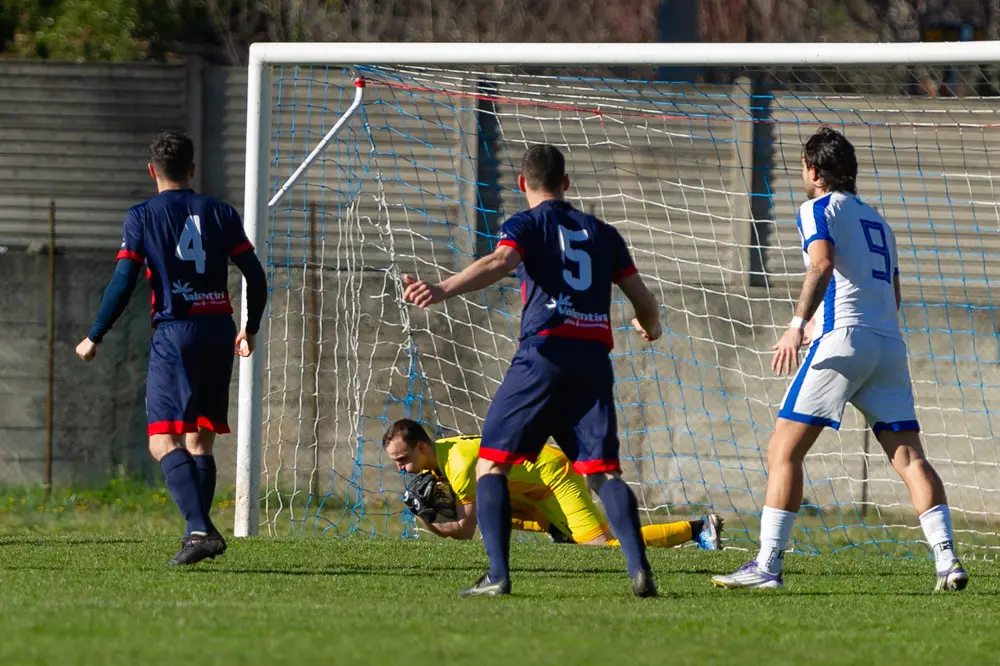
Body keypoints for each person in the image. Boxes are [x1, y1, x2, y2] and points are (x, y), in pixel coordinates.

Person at [711, 128, 967, 592]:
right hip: (887, 343)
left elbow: (822, 264)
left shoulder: (817, 208)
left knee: (784, 450)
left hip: (844, 341)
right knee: (909, 457)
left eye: (802, 168)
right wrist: (831, 325)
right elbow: (891, 292)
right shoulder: (879, 223)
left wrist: (797, 323)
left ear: (813, 170)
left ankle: (767, 566)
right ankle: (947, 561)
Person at [402, 144, 663, 597]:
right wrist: (651, 326)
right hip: (592, 362)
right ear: (566, 183)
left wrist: (441, 288)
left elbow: (500, 262)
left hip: (543, 357)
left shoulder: (526, 222)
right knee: (603, 474)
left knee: (491, 466)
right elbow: (643, 300)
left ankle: (498, 576)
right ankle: (639, 569)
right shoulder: (604, 233)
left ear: (523, 184)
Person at [76, 131, 268, 566]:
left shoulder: (142, 215)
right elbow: (255, 276)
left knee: (163, 441)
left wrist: (95, 335)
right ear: (193, 169)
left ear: (151, 171)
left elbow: (124, 280)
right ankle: (194, 534)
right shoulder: (220, 212)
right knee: (199, 439)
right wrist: (250, 328)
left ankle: (200, 530)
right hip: (220, 329)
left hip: (175, 333)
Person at [383, 419, 723, 550]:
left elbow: (465, 529)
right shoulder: (441, 456)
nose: (401, 467)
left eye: (403, 459)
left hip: (554, 475)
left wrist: (428, 520)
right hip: (530, 484)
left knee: (604, 547)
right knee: (494, 512)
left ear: (422, 447)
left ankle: (698, 529)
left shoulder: (457, 465)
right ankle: (556, 528)